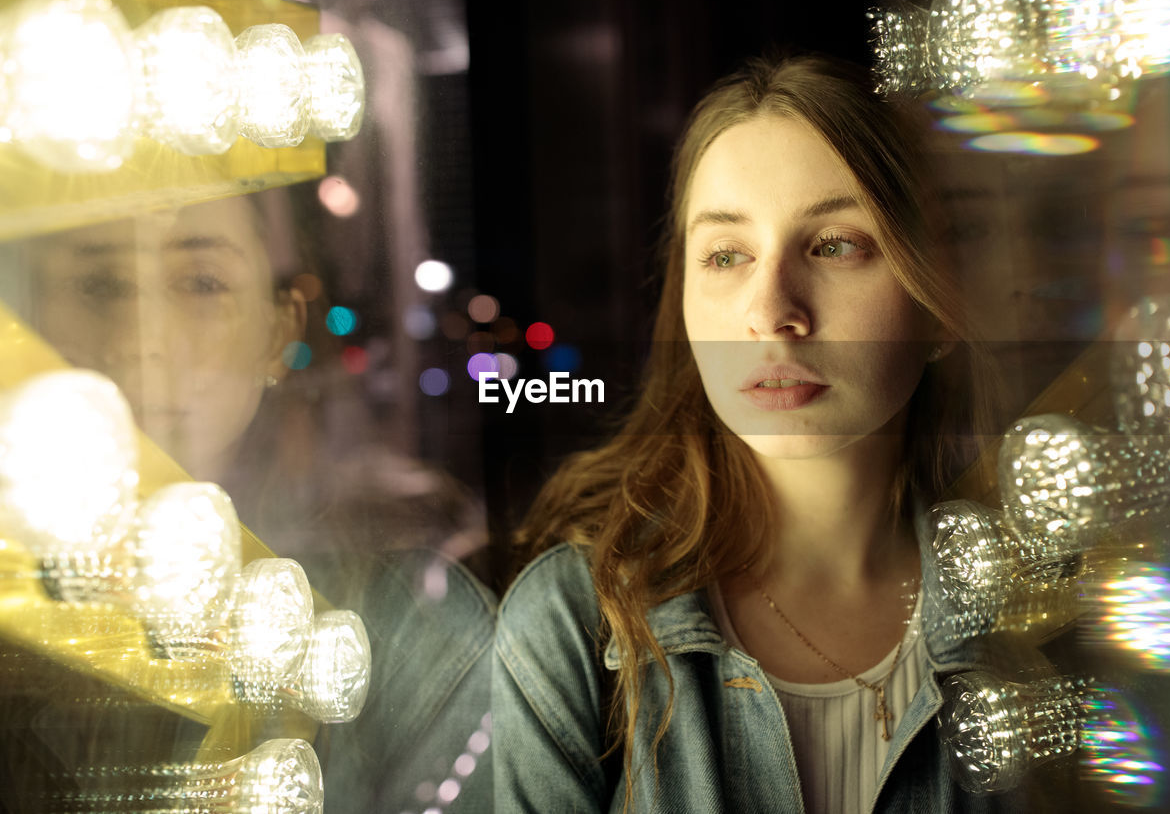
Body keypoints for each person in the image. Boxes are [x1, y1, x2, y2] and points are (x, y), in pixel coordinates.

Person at [492, 53, 1067, 812]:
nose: (771, 310)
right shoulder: (573, 626)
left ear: (939, 304)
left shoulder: (1040, 620)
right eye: (726, 255)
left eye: (834, 244)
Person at [6, 192, 496, 813]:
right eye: (100, 283)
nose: (144, 340)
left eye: (203, 283)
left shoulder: (406, 638)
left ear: (278, 330)